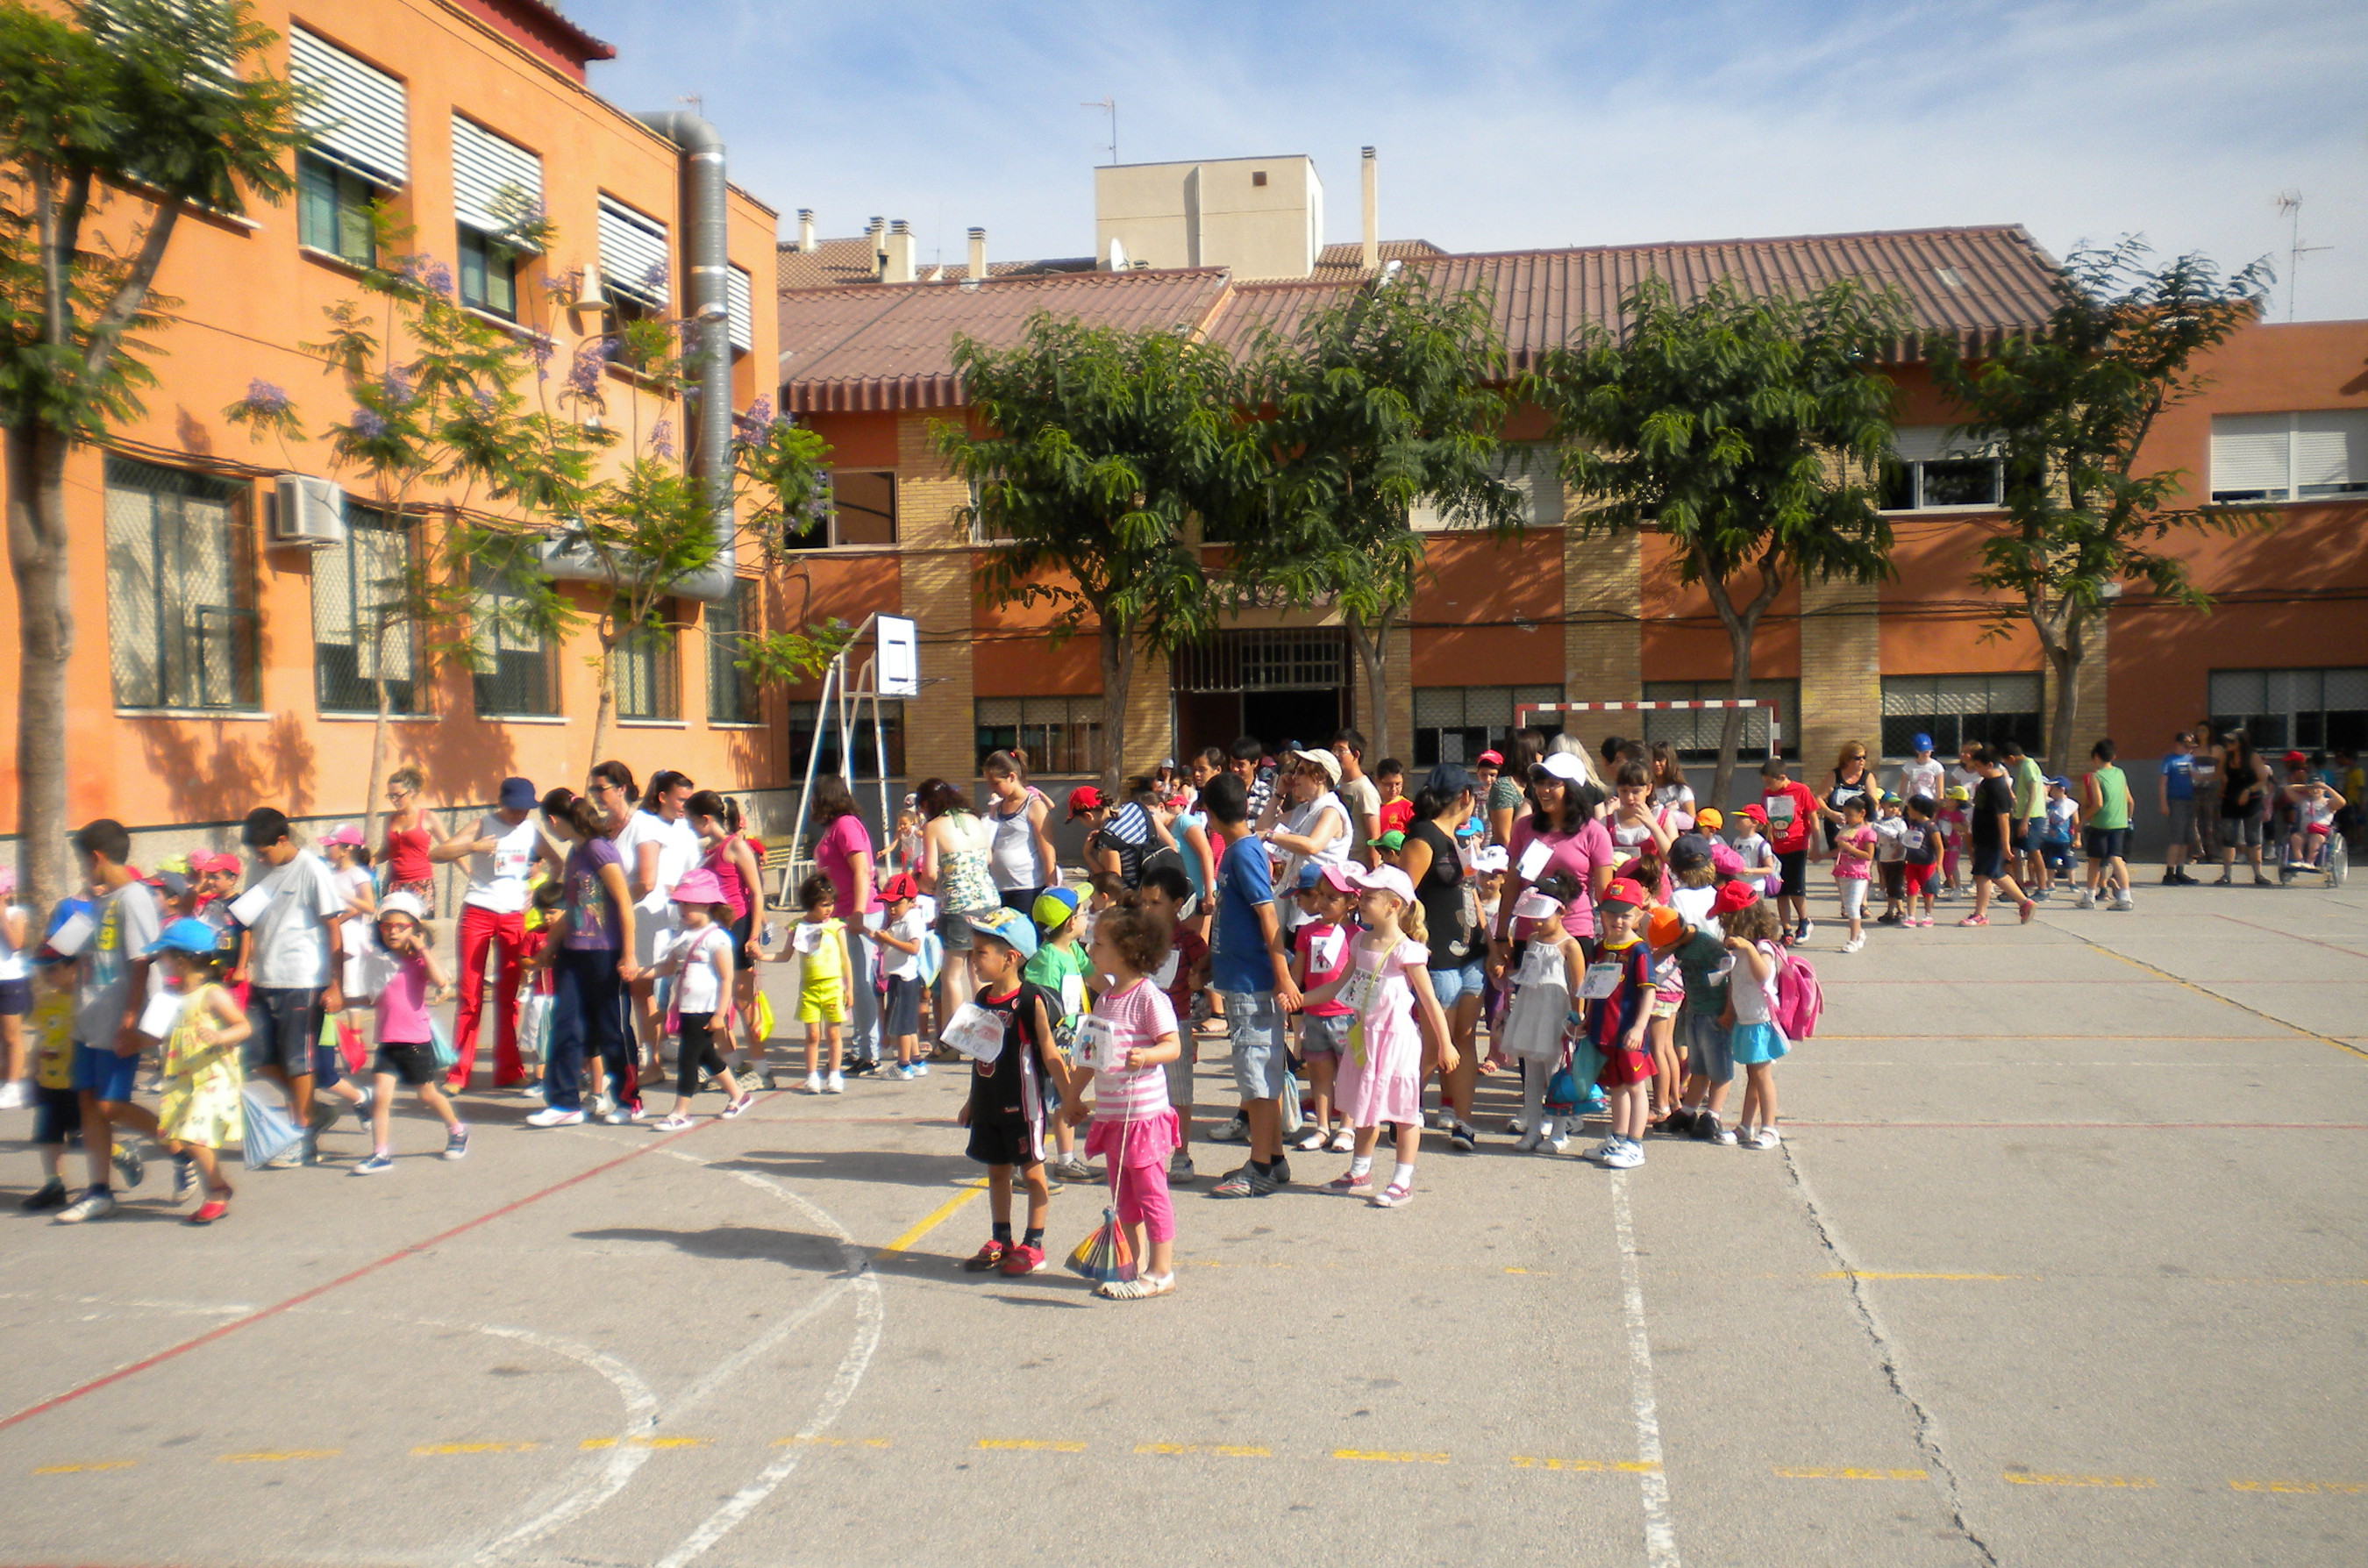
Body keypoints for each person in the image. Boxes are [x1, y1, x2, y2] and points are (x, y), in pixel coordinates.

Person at [1302, 866, 1453, 1208]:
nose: (1361, 901)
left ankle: (1402, 1181)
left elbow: (1429, 1000)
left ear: (1393, 906)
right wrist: (1300, 999)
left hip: (1396, 1039)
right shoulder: (1359, 939)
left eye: (1369, 897)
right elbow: (1339, 985)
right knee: (1363, 1104)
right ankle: (1359, 1171)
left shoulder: (1407, 950)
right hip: (1365, 1037)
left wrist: (1445, 1043)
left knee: (1403, 1111)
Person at [1060, 904, 1184, 1299]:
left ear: (1127, 951)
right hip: (1115, 1116)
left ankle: (1161, 1270)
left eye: (1099, 943)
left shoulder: (1148, 997)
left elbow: (1173, 1045)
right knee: (1122, 1196)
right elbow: (1089, 1056)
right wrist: (1072, 1095)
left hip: (1143, 1115)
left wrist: (1147, 1056)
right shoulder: (1105, 999)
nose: (1091, 948)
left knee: (1151, 1192)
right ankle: (1128, 1264)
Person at [233, 809, 366, 1165]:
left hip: (303, 979)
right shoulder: (259, 868)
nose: (260, 859)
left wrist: (335, 985)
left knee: (299, 1062)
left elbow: (332, 927)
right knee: (255, 1056)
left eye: (264, 852)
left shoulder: (312, 870)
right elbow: (249, 918)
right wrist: (242, 964)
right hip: (264, 977)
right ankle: (313, 1110)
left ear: (282, 840)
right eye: (255, 854)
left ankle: (303, 1136)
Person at [954, 906, 1071, 1276]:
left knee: (1033, 1176)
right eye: (972, 952)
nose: (973, 960)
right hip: (989, 1103)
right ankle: (1001, 1238)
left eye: (981, 953)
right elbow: (978, 1056)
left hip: (1023, 1106)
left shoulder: (1030, 1001)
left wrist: (1070, 1097)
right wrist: (972, 1101)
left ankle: (1033, 1243)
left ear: (1011, 957)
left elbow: (1050, 1053)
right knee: (997, 1173)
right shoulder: (983, 1000)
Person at [1203, 772, 1302, 1198]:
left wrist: (1281, 976)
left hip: (1253, 984)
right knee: (1261, 1073)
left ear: (1209, 813)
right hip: (1239, 979)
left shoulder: (1243, 852)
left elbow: (1267, 914)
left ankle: (1259, 1167)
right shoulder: (1239, 850)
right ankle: (1274, 1158)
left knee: (1258, 1078)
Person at [428, 776, 555, 1093]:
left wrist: (538, 893)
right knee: (470, 995)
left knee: (508, 995)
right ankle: (459, 1073)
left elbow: (557, 862)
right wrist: (473, 846)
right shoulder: (482, 823)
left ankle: (509, 1070)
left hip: (514, 915)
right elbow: (438, 853)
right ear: (502, 803)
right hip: (478, 911)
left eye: (526, 810)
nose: (520, 816)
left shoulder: (530, 831)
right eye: (515, 809)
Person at [527, 788, 638, 1129]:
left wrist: (629, 955)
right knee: (566, 1026)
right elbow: (572, 908)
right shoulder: (575, 853)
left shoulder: (598, 851)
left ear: (556, 820)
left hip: (605, 953)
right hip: (573, 953)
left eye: (549, 823)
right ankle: (564, 1103)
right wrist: (549, 947)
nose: (550, 829)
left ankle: (627, 1099)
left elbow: (623, 904)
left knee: (611, 1029)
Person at [1399, 763, 1486, 1151]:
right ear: (1464, 797)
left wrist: (1494, 942)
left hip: (1472, 954)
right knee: (1435, 1045)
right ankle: (1401, 1108)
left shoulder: (1456, 838)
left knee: (1465, 1038)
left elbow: (1470, 893)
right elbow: (1402, 898)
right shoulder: (1422, 837)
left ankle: (1463, 1122)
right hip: (1439, 959)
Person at [353, 892, 469, 1171]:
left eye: (400, 927)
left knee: (427, 1095)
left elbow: (441, 980)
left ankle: (457, 1131)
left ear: (414, 929)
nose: (392, 932)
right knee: (381, 1097)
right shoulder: (380, 962)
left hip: (415, 1043)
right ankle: (380, 1153)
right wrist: (339, 1002)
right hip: (387, 1042)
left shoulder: (418, 962)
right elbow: (372, 999)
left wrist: (423, 949)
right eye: (386, 926)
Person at [146, 920, 250, 1223]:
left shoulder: (211, 994)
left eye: (162, 956)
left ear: (180, 959)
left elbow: (243, 1026)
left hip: (213, 1076)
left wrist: (220, 1037)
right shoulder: (174, 996)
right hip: (183, 1076)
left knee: (194, 1136)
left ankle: (217, 1190)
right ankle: (212, 1184)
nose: (159, 963)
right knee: (172, 1134)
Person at [646, 869, 753, 1130]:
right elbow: (667, 967)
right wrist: (639, 973)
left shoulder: (717, 938)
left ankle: (680, 1111)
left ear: (705, 904)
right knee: (706, 1055)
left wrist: (719, 1014)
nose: (682, 909)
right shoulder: (683, 934)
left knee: (688, 1058)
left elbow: (727, 979)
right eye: (680, 903)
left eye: (688, 903)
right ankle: (739, 1096)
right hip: (686, 1007)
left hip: (705, 1009)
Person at [614, 766, 701, 1078]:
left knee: (650, 986)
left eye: (688, 801)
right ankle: (654, 1051)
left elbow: (694, 873)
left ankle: (652, 1058)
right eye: (680, 799)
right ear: (662, 797)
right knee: (644, 988)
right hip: (643, 915)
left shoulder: (686, 831)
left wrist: (682, 894)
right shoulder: (643, 823)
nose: (684, 807)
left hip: (668, 917)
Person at [1500, 871, 1584, 1154]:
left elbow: (1578, 987)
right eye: (1534, 916)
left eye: (1543, 916)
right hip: (1531, 1008)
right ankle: (1533, 1129)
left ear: (1561, 911)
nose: (1536, 922)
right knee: (1532, 1074)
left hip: (1556, 1012)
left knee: (1556, 1073)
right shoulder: (1534, 939)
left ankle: (1559, 1131)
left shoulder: (1570, 946)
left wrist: (1576, 1018)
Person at [1134, 864, 1208, 1182]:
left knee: (1178, 1094)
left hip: (1175, 1024)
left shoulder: (1187, 939)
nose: (1147, 909)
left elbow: (1207, 965)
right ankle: (1144, 1152)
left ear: (1177, 905)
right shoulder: (1136, 937)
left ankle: (1181, 1154)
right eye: (1144, 902)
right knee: (1140, 1093)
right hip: (1138, 1026)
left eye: (1155, 902)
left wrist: (1199, 978)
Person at [807, 775, 881, 1076]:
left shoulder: (847, 825)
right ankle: (860, 1045)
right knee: (853, 984)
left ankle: (870, 1053)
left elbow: (861, 869)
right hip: (841, 913)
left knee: (861, 984)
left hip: (857, 912)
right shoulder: (833, 827)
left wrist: (858, 912)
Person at [687, 790, 767, 1069]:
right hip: (715, 931)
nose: (689, 827)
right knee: (715, 998)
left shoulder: (735, 847)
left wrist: (753, 936)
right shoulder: (708, 851)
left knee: (744, 1002)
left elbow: (756, 893)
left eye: (692, 821)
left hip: (739, 927)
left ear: (706, 819)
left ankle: (761, 1067)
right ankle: (731, 1063)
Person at [1674, 879, 1757, 1144]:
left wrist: (1728, 1013)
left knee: (1719, 1067)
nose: (1720, 922)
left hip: (1718, 1010)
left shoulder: (1742, 946)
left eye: (1723, 916)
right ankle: (1688, 1110)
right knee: (1699, 1064)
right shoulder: (1725, 943)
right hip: (1700, 1009)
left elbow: (1734, 980)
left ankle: (1713, 1114)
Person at [1583, 878, 1658, 1169]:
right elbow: (1594, 988)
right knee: (1616, 1086)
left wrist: (1639, 1027)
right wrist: (1588, 1019)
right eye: (1612, 913)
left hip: (1628, 1033)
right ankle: (1617, 1137)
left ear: (1638, 916)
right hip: (1606, 1030)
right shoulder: (1600, 948)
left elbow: (1649, 990)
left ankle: (1635, 1144)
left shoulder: (1639, 951)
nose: (1618, 920)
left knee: (1636, 1086)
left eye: (1626, 914)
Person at [1024, 885, 1094, 1182]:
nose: (1087, 917)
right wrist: (1055, 1048)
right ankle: (1032, 1160)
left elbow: (1096, 977)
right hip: (1055, 1045)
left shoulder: (1073, 949)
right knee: (1048, 1102)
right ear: (1069, 923)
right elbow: (1040, 1006)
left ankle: (1066, 1159)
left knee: (1068, 1098)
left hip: (1075, 1039)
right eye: (1083, 913)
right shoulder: (1047, 960)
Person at [1287, 864, 1358, 1155]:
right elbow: (1297, 973)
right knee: (1319, 1073)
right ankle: (1322, 1127)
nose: (1324, 902)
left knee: (1350, 1072)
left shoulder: (1357, 934)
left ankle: (1348, 1127)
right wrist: (1290, 997)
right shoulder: (1306, 931)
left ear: (1351, 901)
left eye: (1332, 897)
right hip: (1314, 1014)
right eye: (1321, 895)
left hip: (1348, 1015)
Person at [921, 777, 1001, 1026]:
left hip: (957, 905)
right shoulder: (974, 819)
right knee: (981, 970)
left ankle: (952, 1038)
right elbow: (988, 857)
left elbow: (930, 874)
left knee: (951, 976)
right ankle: (985, 1030)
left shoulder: (933, 827)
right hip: (988, 901)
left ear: (926, 804)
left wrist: (930, 887)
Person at [1721, 894, 1789, 1150]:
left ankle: (1769, 1128)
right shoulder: (1740, 949)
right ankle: (1745, 1126)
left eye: (1726, 919)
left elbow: (1763, 975)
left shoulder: (1763, 948)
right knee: (1752, 1074)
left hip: (1760, 1021)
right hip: (1745, 1018)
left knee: (1762, 1076)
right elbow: (1733, 983)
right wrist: (1729, 1012)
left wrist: (1749, 949)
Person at [778, 873, 852, 1094]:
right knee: (812, 1035)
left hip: (833, 986)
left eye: (831, 904)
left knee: (833, 1034)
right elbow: (784, 955)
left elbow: (845, 959)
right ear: (811, 903)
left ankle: (835, 1074)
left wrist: (850, 988)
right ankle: (811, 1075)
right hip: (809, 988)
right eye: (823, 905)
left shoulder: (836, 926)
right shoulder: (797, 926)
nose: (829, 909)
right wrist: (759, 955)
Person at [1261, 748, 1351, 916]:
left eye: (1301, 772)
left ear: (1320, 777)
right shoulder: (1303, 810)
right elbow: (1263, 827)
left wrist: (1272, 836)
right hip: (1296, 897)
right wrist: (1279, 794)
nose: (1294, 777)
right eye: (1295, 771)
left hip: (1320, 902)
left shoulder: (1331, 810)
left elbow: (1312, 845)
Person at [1964, 748, 2040, 926]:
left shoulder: (1998, 787)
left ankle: (1981, 914)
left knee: (1983, 874)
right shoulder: (1986, 783)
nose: (1976, 770)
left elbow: (2003, 817)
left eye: (1978, 766)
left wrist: (2005, 845)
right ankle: (2025, 903)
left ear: (1990, 765)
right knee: (1995, 874)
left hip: (1993, 839)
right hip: (1983, 836)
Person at [984, 751, 1058, 916]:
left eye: (996, 783)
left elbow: (1047, 850)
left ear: (1011, 777)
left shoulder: (1034, 806)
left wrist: (1051, 888)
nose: (992, 788)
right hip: (999, 887)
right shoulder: (997, 807)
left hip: (1027, 887)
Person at [1758, 758, 1823, 942]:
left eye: (1771, 782)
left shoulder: (1801, 790)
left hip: (1796, 845)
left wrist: (1816, 845)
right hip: (1776, 847)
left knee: (1796, 888)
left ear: (1782, 777)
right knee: (1780, 890)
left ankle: (1804, 921)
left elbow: (1813, 818)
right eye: (1766, 783)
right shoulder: (1768, 793)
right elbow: (1765, 818)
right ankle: (1786, 929)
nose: (1769, 787)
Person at [872, 873, 929, 1080]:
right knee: (908, 1023)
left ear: (911, 902)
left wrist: (888, 939)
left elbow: (914, 948)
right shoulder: (899, 921)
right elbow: (886, 944)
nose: (892, 908)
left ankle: (903, 1066)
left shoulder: (911, 920)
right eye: (888, 904)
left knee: (902, 1026)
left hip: (905, 979)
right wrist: (869, 933)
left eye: (897, 903)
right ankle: (917, 1060)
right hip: (897, 977)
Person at [2077, 739, 2135, 911]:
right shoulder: (2120, 773)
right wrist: (2128, 819)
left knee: (2094, 860)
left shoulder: (2096, 776)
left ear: (2095, 756)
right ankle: (2125, 897)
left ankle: (2089, 896)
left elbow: (2098, 804)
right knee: (2117, 858)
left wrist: (2082, 820)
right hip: (2119, 823)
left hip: (2101, 823)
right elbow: (2130, 800)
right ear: (2113, 756)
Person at [2215, 732, 2273, 886]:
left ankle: (2258, 874)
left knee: (2253, 838)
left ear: (2241, 742)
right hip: (2230, 800)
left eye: (2232, 741)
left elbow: (2262, 780)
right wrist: (2222, 787)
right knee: (2229, 838)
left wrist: (2248, 791)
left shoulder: (2252, 757)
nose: (2228, 743)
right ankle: (2226, 874)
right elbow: (2220, 775)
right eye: (2226, 740)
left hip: (2252, 801)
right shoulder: (2225, 756)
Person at [379, 766, 435, 902]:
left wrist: (469, 871)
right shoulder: (389, 819)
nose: (394, 800)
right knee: (390, 923)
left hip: (420, 882)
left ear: (411, 792)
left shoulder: (427, 817)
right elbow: (386, 850)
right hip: (394, 883)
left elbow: (448, 846)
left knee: (419, 923)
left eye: (398, 795)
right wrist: (369, 860)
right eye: (390, 796)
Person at [1330, 729, 1383, 869]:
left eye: (1341, 750)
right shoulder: (1336, 785)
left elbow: (1374, 838)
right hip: (1339, 862)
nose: (1335, 755)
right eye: (1334, 750)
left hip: (1358, 866)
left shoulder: (1365, 790)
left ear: (1356, 755)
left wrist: (1373, 870)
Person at [2002, 739, 2050, 893]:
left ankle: (2043, 888)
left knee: (2033, 851)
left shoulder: (2028, 766)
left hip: (2032, 817)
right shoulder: (2023, 766)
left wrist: (2025, 820)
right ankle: (2019, 886)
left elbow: (2033, 792)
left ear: (2011, 757)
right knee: (2015, 851)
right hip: (2020, 815)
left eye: (2007, 761)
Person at [1831, 795, 1878, 951]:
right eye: (1845, 815)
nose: (1847, 818)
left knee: (1853, 906)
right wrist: (1820, 855)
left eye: (1850, 815)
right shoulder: (1846, 829)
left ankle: (1853, 940)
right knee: (1848, 904)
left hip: (1858, 873)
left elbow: (1869, 855)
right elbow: (1839, 849)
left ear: (1862, 813)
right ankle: (1859, 932)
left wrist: (1850, 848)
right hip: (1843, 871)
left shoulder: (1867, 832)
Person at [0, 873, 29, 1108]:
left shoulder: (16, 914)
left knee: (11, 1035)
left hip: (10, 980)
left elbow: (15, 945)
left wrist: (1, 914)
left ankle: (13, 1087)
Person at [1823, 742, 1874, 856]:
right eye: (1857, 758)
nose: (1862, 761)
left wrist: (1866, 824)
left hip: (1858, 826)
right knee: (1840, 857)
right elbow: (1818, 799)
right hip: (1837, 824)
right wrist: (1831, 814)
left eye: (1864, 757)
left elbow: (1873, 802)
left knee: (1858, 857)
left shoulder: (1867, 776)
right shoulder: (1835, 775)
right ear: (1847, 759)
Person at [1900, 795, 1942, 927]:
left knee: (1927, 890)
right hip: (1911, 862)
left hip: (1927, 864)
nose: (1908, 811)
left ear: (1918, 809)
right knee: (1911, 888)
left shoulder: (1931, 826)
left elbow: (1939, 847)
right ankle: (1910, 915)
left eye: (1910, 808)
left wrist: (1939, 864)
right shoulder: (1911, 824)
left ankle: (1928, 915)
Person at [2186, 727, 2224, 863]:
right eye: (2198, 731)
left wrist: (2217, 784)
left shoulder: (2217, 749)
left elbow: (2221, 770)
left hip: (2212, 789)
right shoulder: (2192, 750)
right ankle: (2197, 852)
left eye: (2204, 731)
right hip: (2194, 789)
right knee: (2194, 821)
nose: (2200, 733)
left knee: (2211, 821)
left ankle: (2213, 853)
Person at [1872, 793, 1908, 924]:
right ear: (1883, 806)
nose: (1894, 809)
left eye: (1896, 806)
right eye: (1891, 806)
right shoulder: (1877, 823)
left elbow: (1903, 838)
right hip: (1884, 857)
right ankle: (1891, 911)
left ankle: (1900, 910)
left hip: (1898, 858)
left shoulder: (1899, 822)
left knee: (1896, 885)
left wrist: (1899, 850)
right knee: (1889, 884)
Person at [1476, 748, 1523, 845]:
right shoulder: (1473, 797)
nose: (1488, 779)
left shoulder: (1505, 796)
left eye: (1493, 775)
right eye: (1483, 775)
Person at [1646, 741, 1697, 830]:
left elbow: (1691, 821)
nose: (1656, 764)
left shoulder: (1682, 790)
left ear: (1669, 761)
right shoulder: (1646, 789)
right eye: (1653, 760)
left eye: (1660, 760)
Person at [1894, 733, 1946, 807]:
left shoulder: (1937, 766)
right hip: (1913, 804)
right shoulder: (1908, 767)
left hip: (1930, 804)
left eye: (1928, 751)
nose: (1926, 754)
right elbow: (1902, 791)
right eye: (1923, 751)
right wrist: (1897, 807)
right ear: (1916, 751)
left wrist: (1937, 808)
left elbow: (1940, 792)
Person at [1374, 759, 1414, 837]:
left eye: (1398, 784)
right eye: (1388, 784)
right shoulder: (1372, 804)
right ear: (1377, 781)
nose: (1394, 789)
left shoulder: (1408, 808)